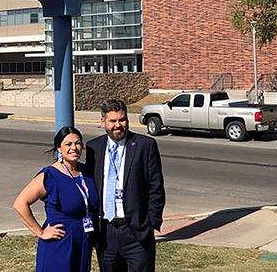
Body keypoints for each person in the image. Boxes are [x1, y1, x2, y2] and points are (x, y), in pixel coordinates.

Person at [86, 99, 165, 272]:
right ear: (103, 122)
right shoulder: (93, 148)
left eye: (122, 120)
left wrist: (151, 222)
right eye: (113, 121)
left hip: (136, 232)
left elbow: (156, 188)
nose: (118, 125)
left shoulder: (145, 145)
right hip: (105, 234)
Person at [14, 126, 98, 272]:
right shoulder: (50, 175)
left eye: (78, 143)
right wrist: (41, 232)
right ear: (59, 148)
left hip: (83, 240)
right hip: (60, 242)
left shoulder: (86, 172)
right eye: (68, 144)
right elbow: (20, 204)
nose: (74, 148)